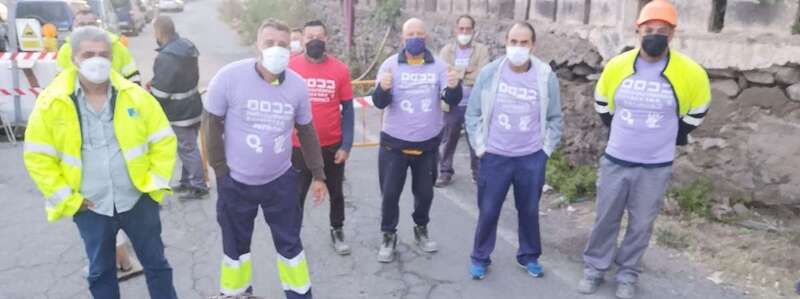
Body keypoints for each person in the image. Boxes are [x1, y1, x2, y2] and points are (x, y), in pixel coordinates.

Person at [23, 26, 178, 299]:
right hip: (91, 207)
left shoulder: (135, 97)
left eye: (103, 54)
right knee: (101, 273)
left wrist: (153, 184)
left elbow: (163, 141)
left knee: (157, 265)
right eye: (89, 54)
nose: (97, 60)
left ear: (112, 57)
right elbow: (38, 158)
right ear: (74, 59)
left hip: (137, 201)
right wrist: (68, 199)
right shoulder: (52, 103)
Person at [579, 1, 711, 298]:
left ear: (672, 34)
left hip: (655, 165)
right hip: (616, 159)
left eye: (662, 31)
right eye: (648, 30)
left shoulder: (690, 72)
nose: (654, 35)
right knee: (605, 218)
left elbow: (699, 109)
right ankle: (594, 268)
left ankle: (627, 274)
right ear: (637, 31)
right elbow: (602, 102)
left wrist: (672, 135)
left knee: (641, 224)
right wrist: (621, 131)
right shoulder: (618, 66)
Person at [203, 18, 328, 299]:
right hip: (236, 183)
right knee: (235, 250)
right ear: (257, 46)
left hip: (280, 182)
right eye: (269, 43)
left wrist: (319, 174)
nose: (276, 49)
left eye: (283, 44)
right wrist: (220, 171)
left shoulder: (297, 86)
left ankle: (299, 294)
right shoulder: (229, 77)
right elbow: (211, 124)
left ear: (291, 49)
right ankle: (235, 295)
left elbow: (307, 131)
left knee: (290, 247)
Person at [465, 21, 563, 280]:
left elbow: (555, 117)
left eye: (524, 43)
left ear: (533, 45)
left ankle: (529, 256)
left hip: (531, 158)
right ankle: (480, 257)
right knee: (488, 210)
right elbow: (473, 113)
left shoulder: (545, 76)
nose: (518, 47)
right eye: (513, 42)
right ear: (505, 43)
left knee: (529, 210)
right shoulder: (490, 73)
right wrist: (481, 148)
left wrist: (545, 151)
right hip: (495, 156)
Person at [371, 17, 462, 263]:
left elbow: (450, 99)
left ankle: (421, 228)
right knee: (390, 194)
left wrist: (454, 87)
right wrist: (383, 89)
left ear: (426, 37)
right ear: (402, 38)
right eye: (410, 34)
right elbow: (379, 102)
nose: (415, 38)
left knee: (425, 194)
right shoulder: (390, 65)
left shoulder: (439, 67)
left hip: (427, 144)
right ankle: (388, 235)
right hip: (393, 144)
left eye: (419, 34)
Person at [288, 20, 355, 255]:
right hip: (299, 146)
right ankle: (292, 237)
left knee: (336, 192)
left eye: (319, 36)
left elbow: (348, 109)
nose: (314, 40)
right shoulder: (290, 67)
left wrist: (346, 145)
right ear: (302, 39)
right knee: (296, 194)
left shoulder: (340, 70)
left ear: (326, 39)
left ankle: (337, 229)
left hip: (331, 145)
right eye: (310, 36)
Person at [149, 16, 208, 199]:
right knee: (188, 147)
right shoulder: (186, 47)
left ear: (158, 32)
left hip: (179, 111)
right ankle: (187, 181)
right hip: (193, 105)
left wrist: (151, 96)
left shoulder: (167, 56)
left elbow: (162, 90)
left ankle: (199, 186)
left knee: (187, 148)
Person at [436, 14, 490, 187]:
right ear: (456, 30)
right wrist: (467, 71)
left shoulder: (482, 50)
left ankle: (478, 174)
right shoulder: (446, 51)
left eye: (468, 29)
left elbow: (483, 75)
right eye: (461, 29)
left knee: (476, 141)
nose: (464, 32)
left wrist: (457, 74)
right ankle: (445, 172)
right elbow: (444, 75)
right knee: (448, 141)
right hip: (452, 105)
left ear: (473, 31)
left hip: (474, 105)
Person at [57, 10, 141, 84]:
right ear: (74, 26)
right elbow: (59, 82)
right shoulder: (66, 49)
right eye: (81, 24)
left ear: (98, 25)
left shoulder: (116, 46)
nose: (86, 28)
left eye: (91, 24)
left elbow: (133, 77)